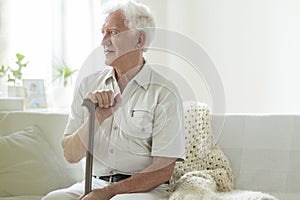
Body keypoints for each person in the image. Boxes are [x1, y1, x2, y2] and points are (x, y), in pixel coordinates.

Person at [43, 0, 185, 199]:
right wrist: (97, 118)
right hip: (95, 182)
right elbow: (70, 154)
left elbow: (163, 170)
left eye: (114, 32)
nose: (103, 41)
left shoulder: (164, 92)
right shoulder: (88, 84)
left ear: (139, 40)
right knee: (53, 198)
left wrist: (108, 192)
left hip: (144, 188)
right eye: (103, 32)